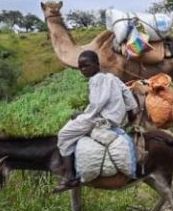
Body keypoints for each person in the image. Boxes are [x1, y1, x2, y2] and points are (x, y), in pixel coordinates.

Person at [53, 50, 137, 193]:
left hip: (98, 120)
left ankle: (69, 177)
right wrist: (130, 117)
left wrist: (81, 114)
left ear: (97, 65)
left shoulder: (95, 80)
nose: (83, 69)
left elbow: (96, 105)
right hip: (114, 121)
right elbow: (128, 96)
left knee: (63, 135)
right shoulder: (112, 78)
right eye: (80, 67)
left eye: (86, 65)